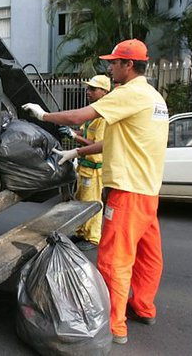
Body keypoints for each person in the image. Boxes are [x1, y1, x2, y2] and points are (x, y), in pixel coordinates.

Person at [22, 39, 169, 345]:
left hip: (127, 192)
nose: (110, 67)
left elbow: (79, 117)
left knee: (115, 259)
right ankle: (143, 306)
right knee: (148, 256)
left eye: (114, 63)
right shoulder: (154, 97)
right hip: (148, 191)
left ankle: (115, 326)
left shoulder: (129, 93)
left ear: (128, 65)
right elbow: (119, 140)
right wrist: (76, 154)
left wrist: (43, 116)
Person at [60, 75, 110, 251]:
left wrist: (75, 137)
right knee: (82, 201)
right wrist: (71, 131)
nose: (88, 92)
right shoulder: (93, 115)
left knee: (92, 203)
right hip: (85, 167)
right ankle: (81, 232)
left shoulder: (104, 118)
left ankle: (92, 237)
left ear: (104, 92)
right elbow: (83, 131)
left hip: (95, 170)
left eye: (93, 89)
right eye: (88, 88)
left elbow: (97, 145)